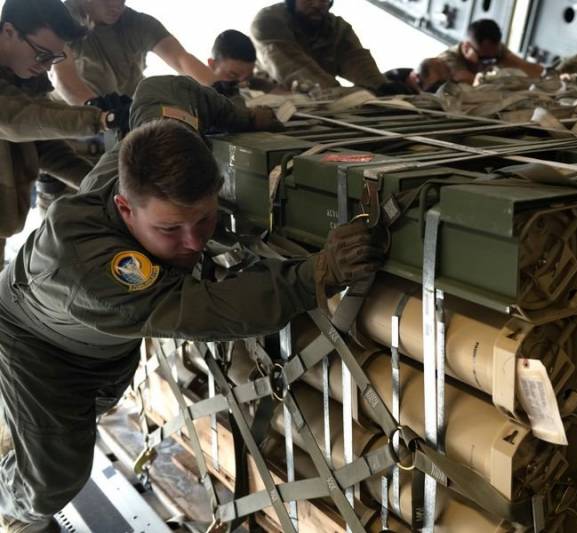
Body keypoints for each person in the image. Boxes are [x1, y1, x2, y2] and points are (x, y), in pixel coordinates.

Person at [0, 74, 383, 532]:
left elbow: (163, 90)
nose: (193, 241)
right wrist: (318, 273)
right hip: (39, 349)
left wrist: (244, 116)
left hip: (98, 338)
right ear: (125, 208)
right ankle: (13, 506)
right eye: (169, 230)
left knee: (76, 423)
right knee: (54, 480)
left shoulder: (160, 141)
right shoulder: (85, 269)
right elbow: (211, 309)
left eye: (203, 219)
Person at [0, 0, 122, 271]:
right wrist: (102, 118)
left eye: (54, 59)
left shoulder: (24, 79)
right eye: (42, 55)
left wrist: (102, 188)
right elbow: (18, 118)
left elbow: (44, 147)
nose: (46, 67)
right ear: (9, 31)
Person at [53, 0, 217, 106]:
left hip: (128, 114)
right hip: (78, 122)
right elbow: (64, 77)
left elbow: (180, 59)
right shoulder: (63, 21)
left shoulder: (138, 23)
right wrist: (96, 108)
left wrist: (218, 89)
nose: (117, 5)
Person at [251, 0, 409, 95]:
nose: (317, 4)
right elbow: (292, 67)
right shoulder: (269, 22)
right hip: (271, 100)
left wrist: (382, 86)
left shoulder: (337, 28)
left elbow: (356, 59)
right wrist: (339, 94)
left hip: (321, 101)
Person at [438, 19, 543, 85]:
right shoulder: (449, 59)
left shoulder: (493, 49)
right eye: (483, 57)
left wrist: (547, 77)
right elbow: (471, 85)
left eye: (492, 58)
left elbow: (523, 66)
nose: (489, 61)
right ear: (467, 47)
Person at [207, 29, 278, 99]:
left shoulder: (246, 81)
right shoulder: (204, 97)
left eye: (248, 77)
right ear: (212, 65)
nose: (243, 83)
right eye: (232, 75)